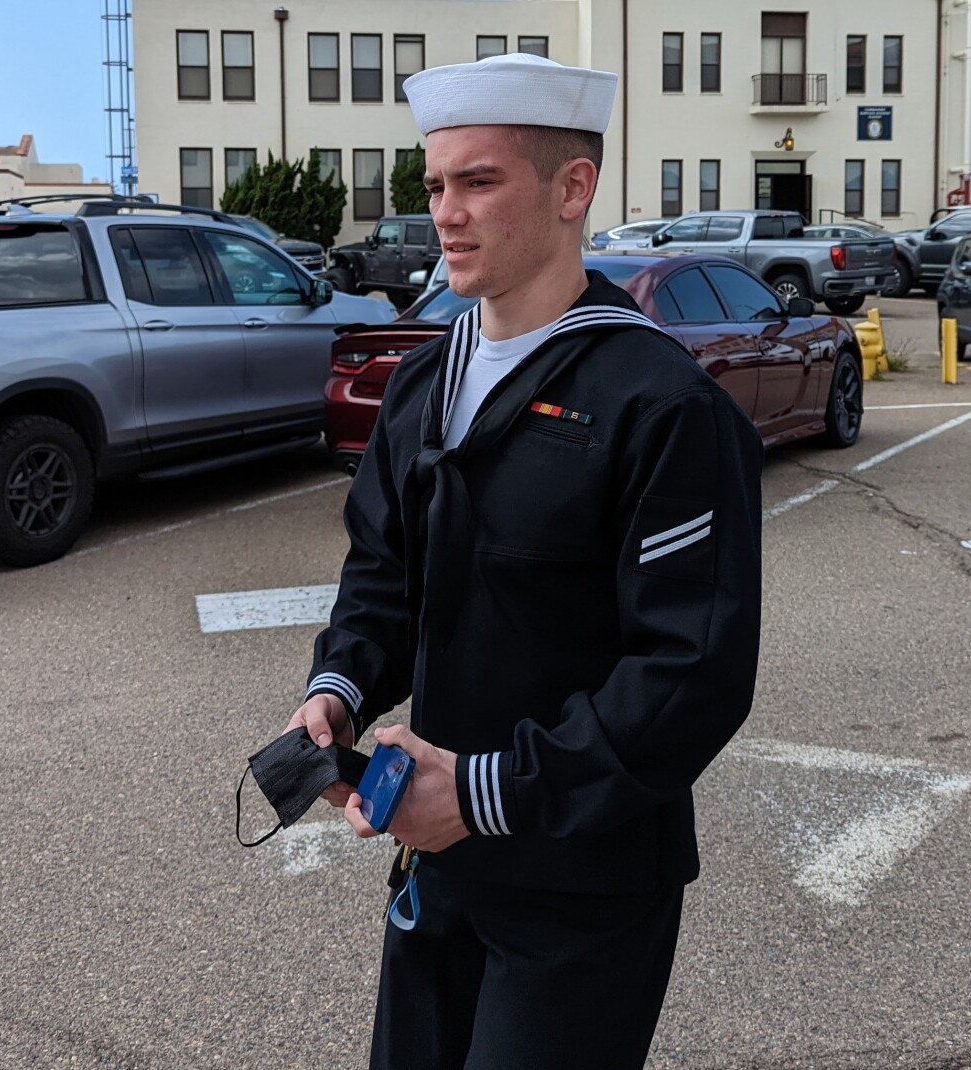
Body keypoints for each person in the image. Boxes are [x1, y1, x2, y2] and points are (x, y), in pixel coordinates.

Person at [284, 52, 764, 1069]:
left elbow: (690, 673)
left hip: (583, 883)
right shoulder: (426, 383)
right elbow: (382, 575)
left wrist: (485, 792)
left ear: (571, 189)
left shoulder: (660, 404)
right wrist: (338, 690)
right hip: (438, 864)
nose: (445, 214)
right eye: (435, 186)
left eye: (479, 181)